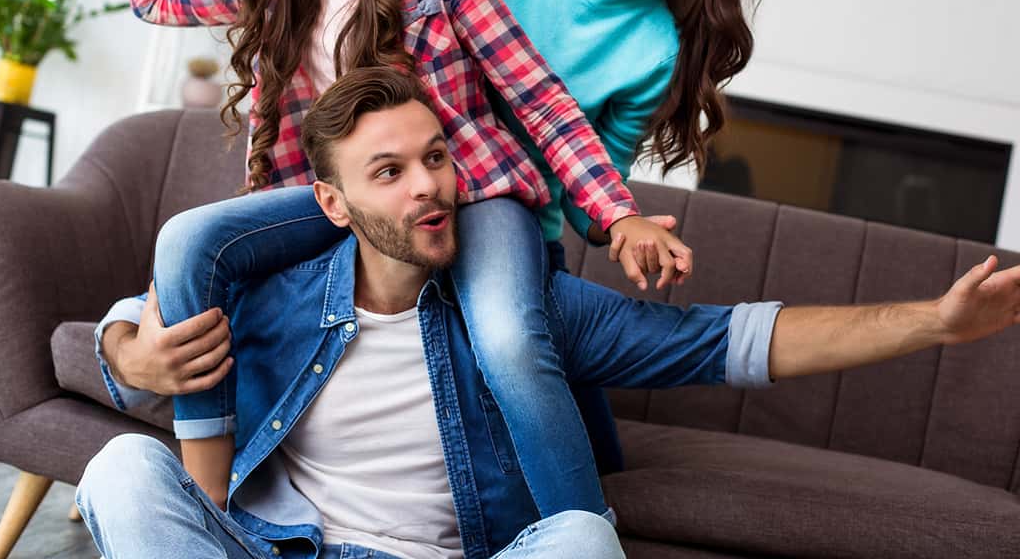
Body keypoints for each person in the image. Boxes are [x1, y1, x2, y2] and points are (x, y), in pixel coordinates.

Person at [77, 65, 1020, 559]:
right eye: (390, 173)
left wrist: (934, 324)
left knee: (577, 538)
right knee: (122, 469)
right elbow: (127, 325)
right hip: (271, 548)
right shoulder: (273, 290)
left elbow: (726, 342)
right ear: (333, 204)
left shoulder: (527, 312)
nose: (429, 187)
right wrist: (130, 353)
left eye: (437, 157)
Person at [84, 0, 755, 476]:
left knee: (515, 337)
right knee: (191, 246)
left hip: (490, 198)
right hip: (348, 197)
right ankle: (205, 501)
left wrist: (617, 218)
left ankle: (579, 522)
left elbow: (545, 107)